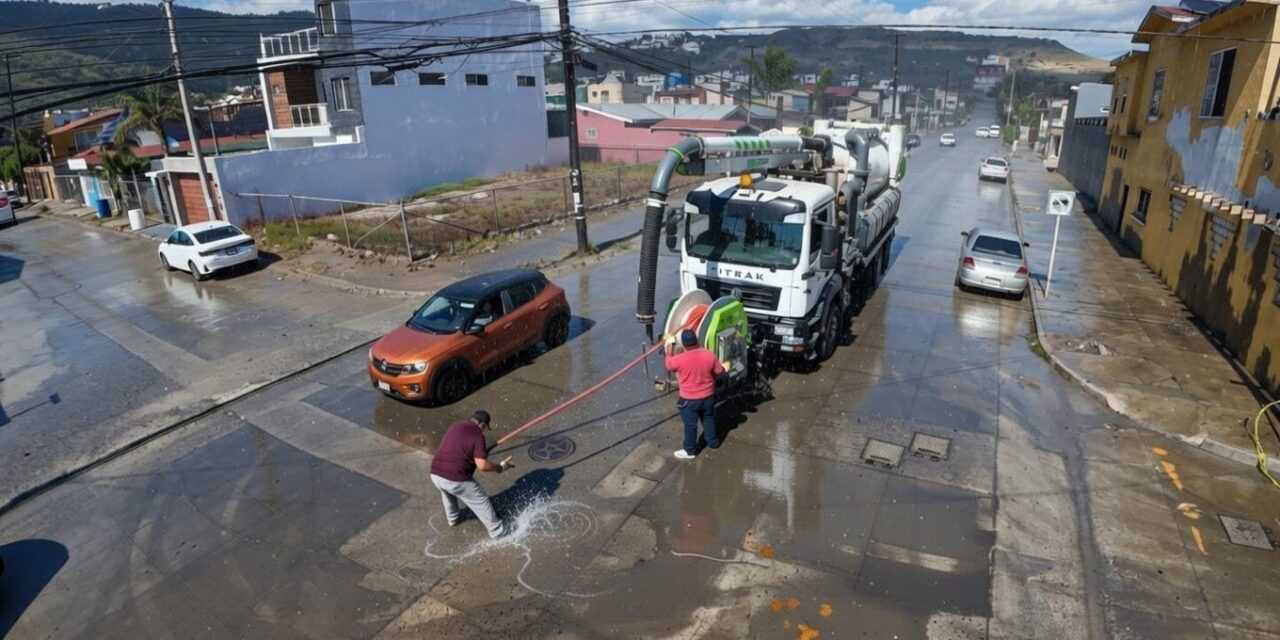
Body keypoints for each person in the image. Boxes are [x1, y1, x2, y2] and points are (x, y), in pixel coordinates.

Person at [429, 410, 514, 538]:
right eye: (484, 428)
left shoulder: (456, 425)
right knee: (481, 501)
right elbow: (482, 465)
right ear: (482, 425)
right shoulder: (477, 435)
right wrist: (499, 468)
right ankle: (497, 531)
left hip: (435, 473)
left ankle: (452, 519)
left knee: (447, 492)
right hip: (455, 478)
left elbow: (458, 447)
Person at [664, 329, 725, 459]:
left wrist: (669, 347)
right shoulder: (709, 355)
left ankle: (690, 451)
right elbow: (720, 371)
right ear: (696, 340)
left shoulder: (679, 359)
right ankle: (713, 443)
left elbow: (668, 365)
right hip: (708, 397)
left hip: (689, 400)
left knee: (691, 425)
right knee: (708, 419)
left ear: (684, 345)